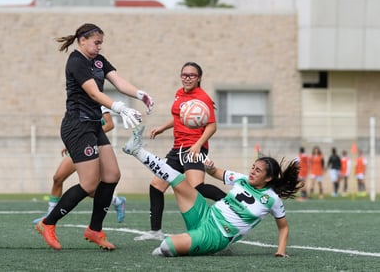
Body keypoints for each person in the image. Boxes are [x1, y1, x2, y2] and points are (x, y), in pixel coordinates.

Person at [35, 23, 154, 251]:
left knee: (111, 175)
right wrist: (119, 108)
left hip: (92, 126)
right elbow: (93, 92)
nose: (99, 47)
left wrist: (140, 94)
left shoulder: (99, 61)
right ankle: (47, 223)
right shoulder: (76, 61)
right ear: (82, 40)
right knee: (89, 184)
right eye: (96, 42)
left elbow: (118, 82)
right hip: (77, 126)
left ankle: (94, 230)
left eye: (101, 43)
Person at [122, 126, 300, 257]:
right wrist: (210, 168)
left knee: (166, 247)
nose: (252, 171)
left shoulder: (272, 199)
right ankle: (136, 150)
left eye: (258, 170)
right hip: (205, 213)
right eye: (253, 167)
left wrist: (281, 251)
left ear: (268, 178)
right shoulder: (242, 179)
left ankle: (199, 243)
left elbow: (283, 227)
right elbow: (216, 173)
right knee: (177, 178)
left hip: (216, 235)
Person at [134, 62, 227, 241]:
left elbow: (212, 126)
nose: (187, 78)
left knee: (196, 188)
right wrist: (163, 127)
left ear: (199, 78)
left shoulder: (203, 98)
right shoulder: (179, 93)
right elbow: (180, 117)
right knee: (156, 186)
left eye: (191, 75)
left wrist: (199, 144)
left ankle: (232, 203)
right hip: (177, 149)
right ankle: (156, 232)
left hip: (194, 149)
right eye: (184, 74)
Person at [33, 107, 126, 225]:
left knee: (90, 189)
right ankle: (50, 215)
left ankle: (117, 202)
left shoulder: (98, 99)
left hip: (92, 146)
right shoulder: (79, 101)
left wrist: (87, 136)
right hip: (79, 144)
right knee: (58, 178)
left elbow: (109, 124)